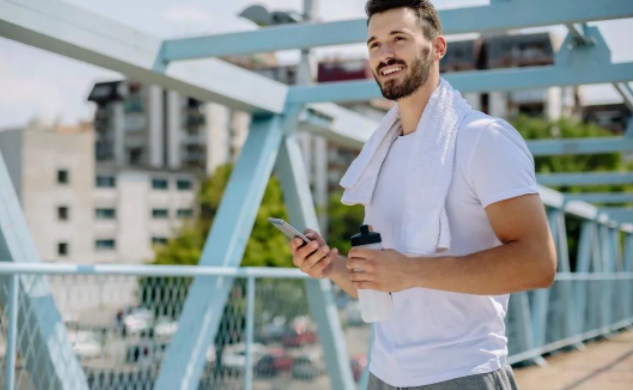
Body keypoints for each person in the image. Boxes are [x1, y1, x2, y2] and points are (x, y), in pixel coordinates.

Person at [289, 1, 557, 389]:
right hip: (383, 375)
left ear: (437, 47)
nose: (385, 54)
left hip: (462, 374)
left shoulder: (483, 139)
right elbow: (385, 283)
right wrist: (330, 265)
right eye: (375, 44)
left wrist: (410, 271)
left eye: (399, 39)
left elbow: (538, 264)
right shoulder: (380, 154)